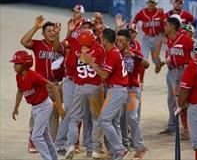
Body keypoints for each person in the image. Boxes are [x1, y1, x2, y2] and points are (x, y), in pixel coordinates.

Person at [80, 28, 129, 160]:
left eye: (101, 39)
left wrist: (90, 62)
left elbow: (104, 74)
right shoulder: (112, 52)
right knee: (113, 122)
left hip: (117, 90)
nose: (100, 40)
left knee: (104, 120)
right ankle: (117, 152)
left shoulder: (112, 53)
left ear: (106, 41)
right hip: (116, 90)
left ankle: (120, 149)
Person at [10, 50, 65, 160]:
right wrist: (16, 107)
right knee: (45, 137)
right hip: (35, 108)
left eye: (17, 63)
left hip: (44, 106)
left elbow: (53, 87)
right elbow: (20, 91)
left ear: (25, 64)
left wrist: (59, 107)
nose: (14, 66)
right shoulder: (19, 77)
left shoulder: (34, 76)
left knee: (36, 137)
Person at [20, 15, 65, 152]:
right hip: (41, 85)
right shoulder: (38, 44)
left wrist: (58, 35)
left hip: (57, 85)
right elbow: (23, 41)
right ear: (43, 34)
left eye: (54, 30)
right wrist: (35, 27)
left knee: (55, 113)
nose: (52, 33)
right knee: (37, 112)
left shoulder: (61, 46)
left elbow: (57, 49)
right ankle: (33, 139)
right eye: (49, 31)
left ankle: (52, 141)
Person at [63, 30, 106, 160]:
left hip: (79, 88)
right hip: (95, 88)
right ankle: (95, 149)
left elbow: (68, 66)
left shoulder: (76, 51)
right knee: (96, 119)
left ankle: (70, 145)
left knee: (74, 118)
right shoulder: (99, 49)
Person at [157, 17, 193, 138]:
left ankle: (187, 129)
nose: (165, 27)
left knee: (182, 101)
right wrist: (163, 63)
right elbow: (172, 57)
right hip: (174, 71)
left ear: (172, 27)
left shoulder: (186, 39)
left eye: (166, 25)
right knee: (173, 101)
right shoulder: (171, 41)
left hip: (184, 71)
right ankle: (175, 127)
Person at [116, 29, 150, 159]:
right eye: (118, 41)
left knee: (132, 117)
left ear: (129, 41)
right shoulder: (115, 52)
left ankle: (140, 146)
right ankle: (125, 145)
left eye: (122, 41)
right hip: (119, 90)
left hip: (132, 90)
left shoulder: (135, 52)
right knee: (121, 119)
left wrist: (133, 56)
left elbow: (147, 64)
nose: (119, 43)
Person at [132, 0, 166, 73]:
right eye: (150, 2)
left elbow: (164, 26)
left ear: (156, 4)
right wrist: (133, 30)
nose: (151, 4)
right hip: (146, 38)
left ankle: (158, 64)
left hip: (157, 38)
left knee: (155, 59)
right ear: (147, 3)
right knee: (144, 58)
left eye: (153, 3)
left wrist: (165, 37)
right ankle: (141, 79)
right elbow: (135, 21)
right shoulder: (143, 12)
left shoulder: (159, 12)